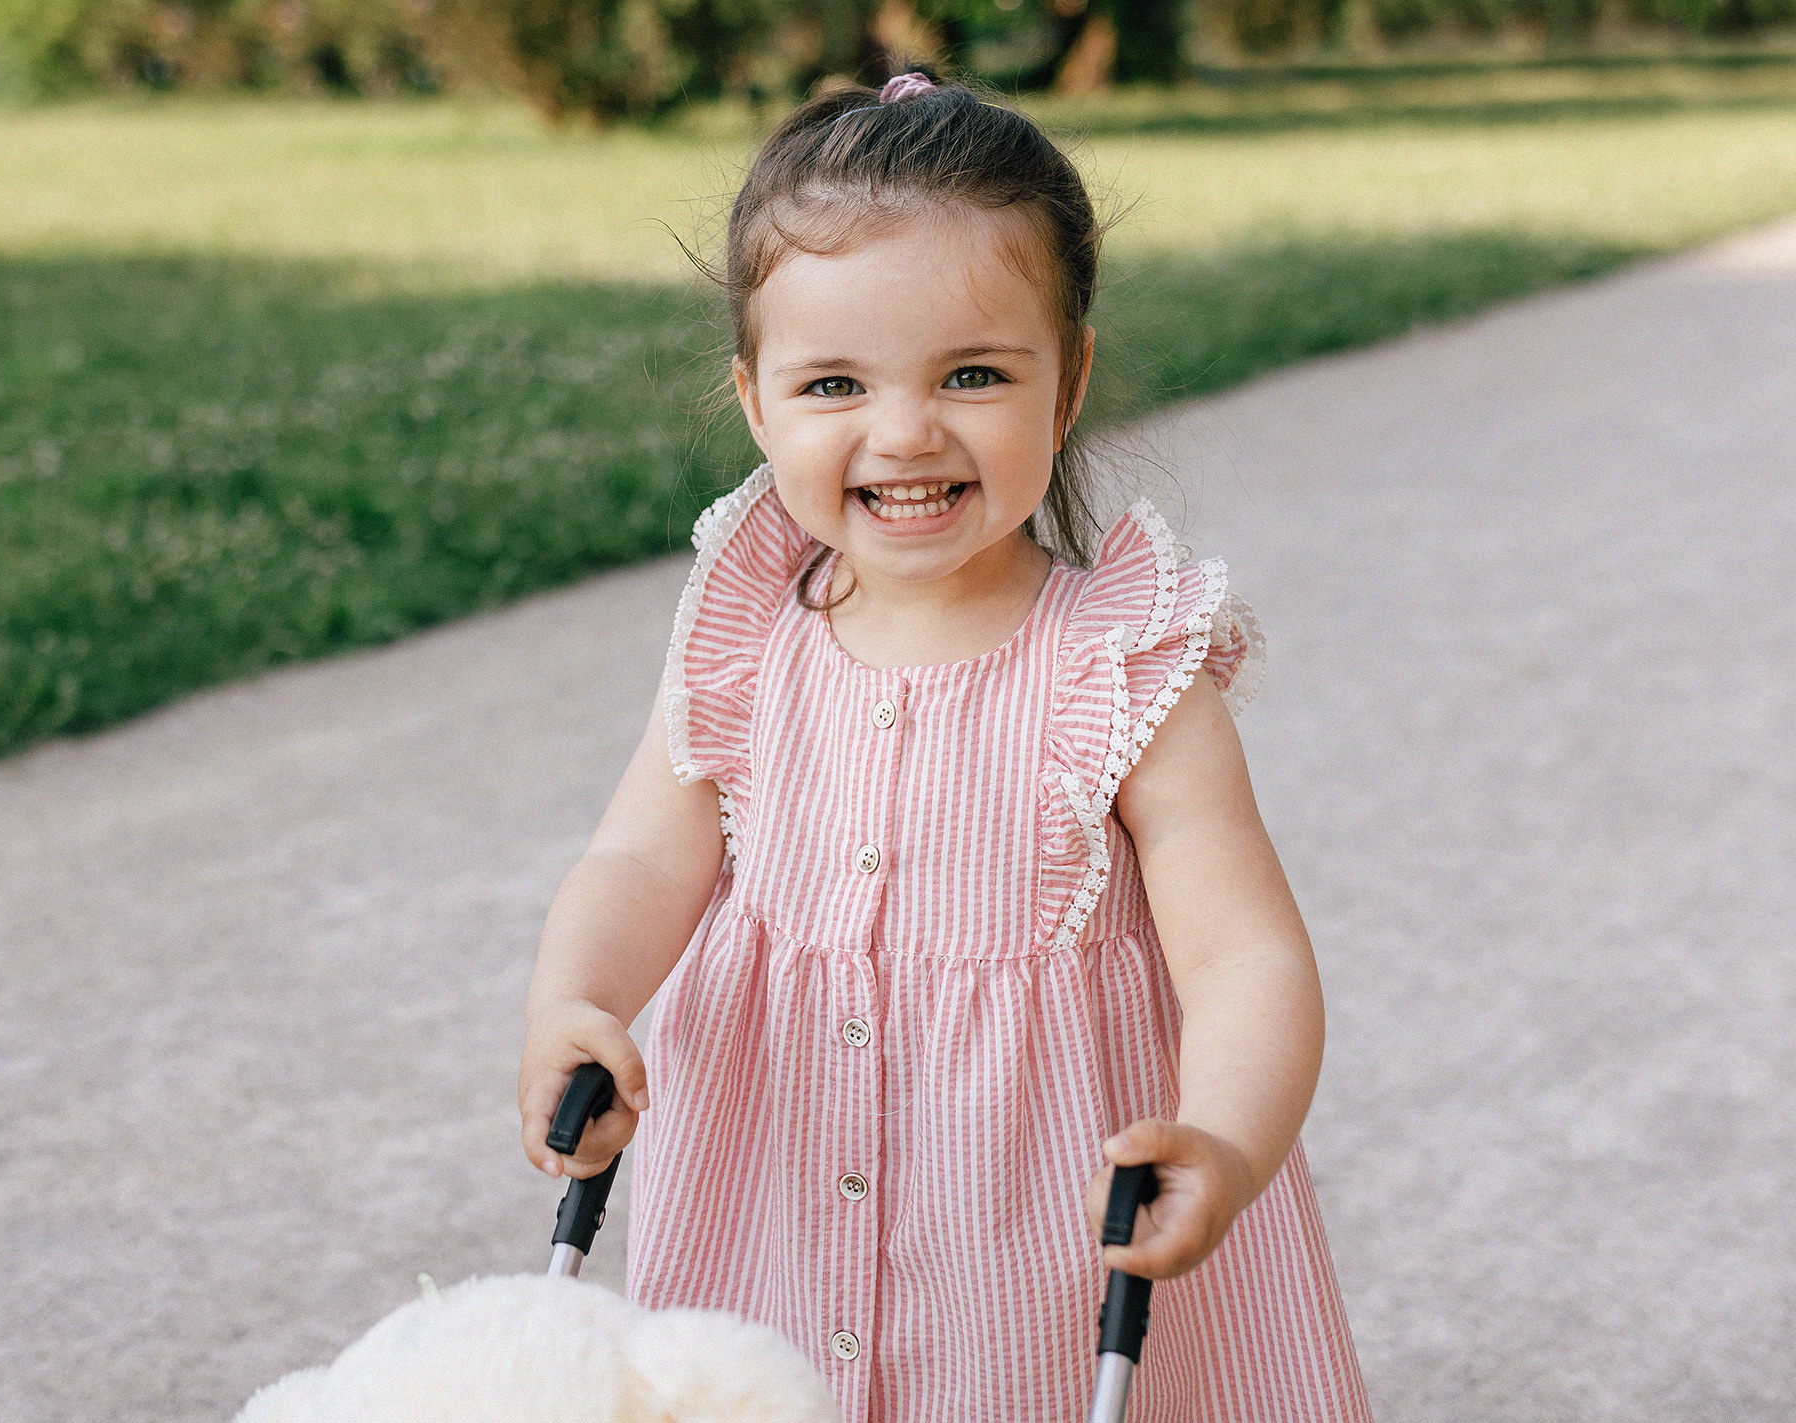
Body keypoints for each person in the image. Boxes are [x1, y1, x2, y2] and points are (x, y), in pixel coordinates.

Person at [517, 72, 1370, 1422]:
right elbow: (638, 854)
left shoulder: (1124, 665)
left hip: (1030, 1226)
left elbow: (1246, 952)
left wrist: (1223, 1141)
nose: (904, 429)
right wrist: (578, 1000)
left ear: (1069, 378)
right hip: (778, 1200)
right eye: (834, 382)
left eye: (972, 374)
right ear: (755, 401)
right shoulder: (742, 638)